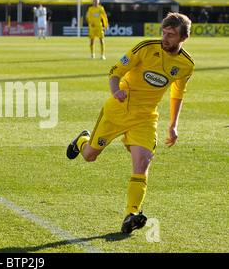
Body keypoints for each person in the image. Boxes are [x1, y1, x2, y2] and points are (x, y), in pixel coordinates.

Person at [66, 13, 194, 234]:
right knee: (89, 156)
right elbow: (116, 71)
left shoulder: (186, 64)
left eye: (171, 35)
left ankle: (131, 214)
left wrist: (174, 124)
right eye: (164, 33)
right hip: (118, 110)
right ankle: (82, 141)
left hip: (145, 118)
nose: (165, 38)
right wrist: (116, 90)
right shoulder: (145, 47)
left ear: (183, 38)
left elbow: (178, 93)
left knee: (143, 162)